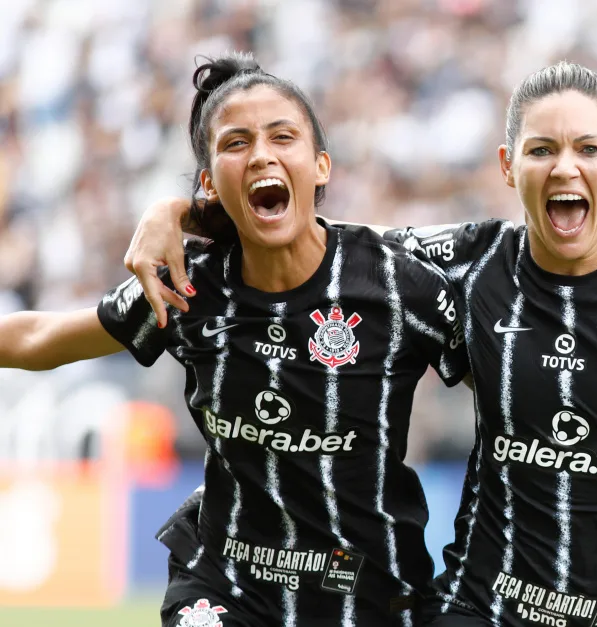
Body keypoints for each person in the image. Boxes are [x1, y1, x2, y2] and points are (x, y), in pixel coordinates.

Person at [125, 62, 597, 627]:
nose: (564, 167)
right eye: (542, 149)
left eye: (587, 148)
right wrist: (179, 212)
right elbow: (307, 241)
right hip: (484, 602)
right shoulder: (460, 262)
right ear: (507, 166)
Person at [0, 53, 476, 627]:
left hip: (370, 596)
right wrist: (170, 215)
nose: (262, 155)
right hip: (227, 587)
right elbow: (39, 337)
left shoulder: (397, 285)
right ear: (208, 184)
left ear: (321, 166)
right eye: (235, 143)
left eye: (283, 137)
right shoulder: (185, 284)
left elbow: (508, 389)